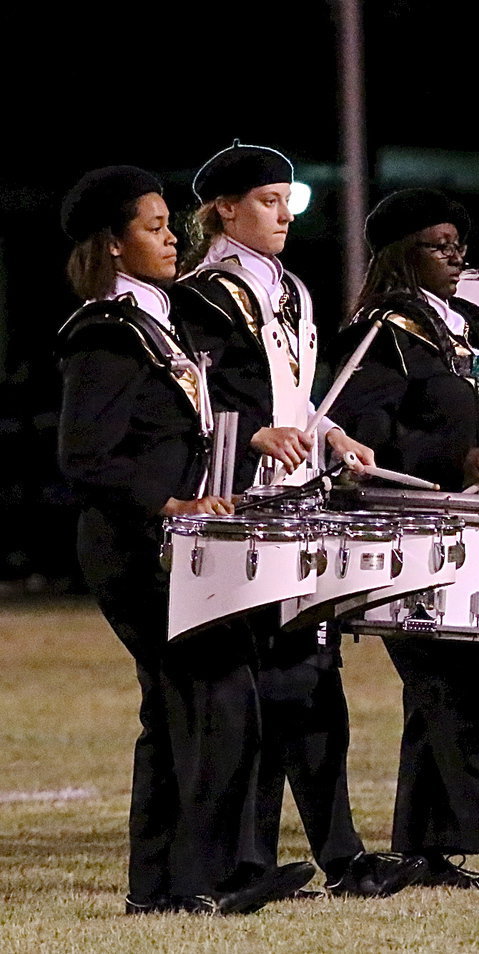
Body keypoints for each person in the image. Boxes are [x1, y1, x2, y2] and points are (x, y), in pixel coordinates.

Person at [57, 165, 315, 913]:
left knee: (183, 708)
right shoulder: (104, 333)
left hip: (168, 540)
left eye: (171, 224)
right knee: (215, 697)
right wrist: (168, 502)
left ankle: (164, 887)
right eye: (154, 227)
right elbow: (85, 456)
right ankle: (209, 879)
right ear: (114, 244)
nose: (173, 238)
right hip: (133, 546)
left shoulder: (155, 319)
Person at [174, 142, 418, 897]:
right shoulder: (199, 296)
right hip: (239, 510)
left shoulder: (292, 291)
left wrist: (331, 434)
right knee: (256, 691)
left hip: (300, 502)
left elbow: (294, 396)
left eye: (289, 201)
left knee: (314, 680)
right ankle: (247, 862)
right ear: (225, 209)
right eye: (268, 200)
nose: (284, 215)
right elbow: (191, 394)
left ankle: (341, 856)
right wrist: (252, 433)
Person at [328, 187, 479, 886]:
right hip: (408, 530)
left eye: (458, 244)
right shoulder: (378, 333)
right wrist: (449, 458)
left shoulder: (471, 324)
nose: (455, 255)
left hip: (476, 529)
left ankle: (425, 847)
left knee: (457, 680)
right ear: (400, 255)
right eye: (437, 246)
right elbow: (366, 440)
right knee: (447, 683)